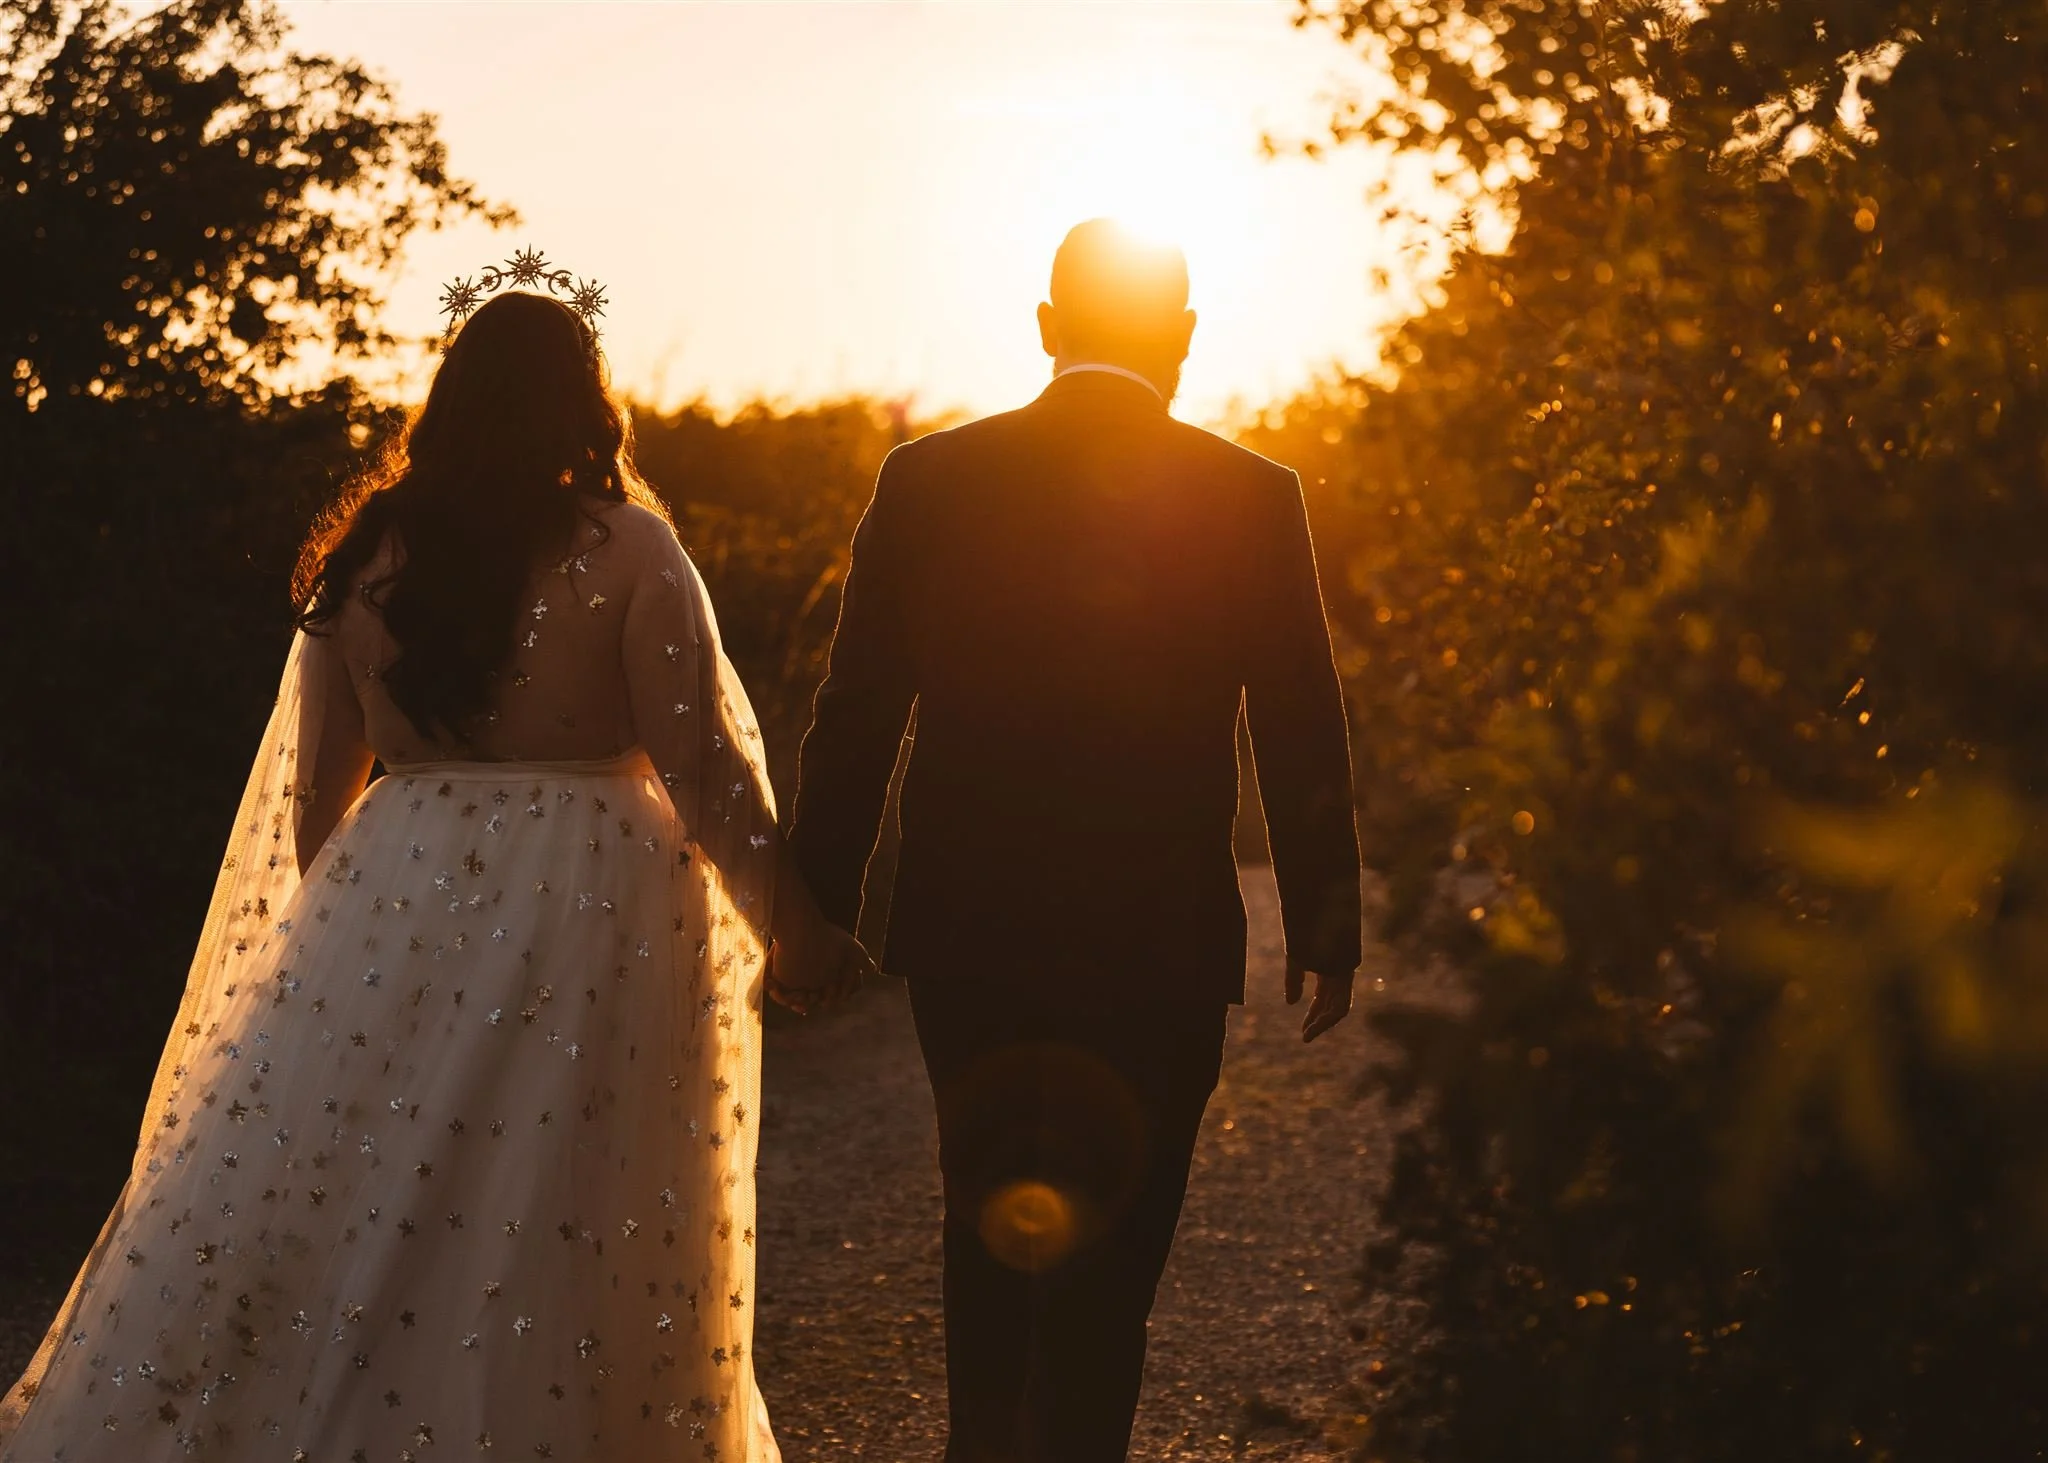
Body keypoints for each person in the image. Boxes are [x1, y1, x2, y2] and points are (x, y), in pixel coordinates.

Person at [0, 286, 867, 1463]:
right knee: (562, 1202)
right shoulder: (627, 548)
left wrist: (360, 947)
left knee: (382, 1199)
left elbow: (316, 803)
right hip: (594, 901)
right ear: (582, 402)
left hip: (393, 888)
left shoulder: (367, 555)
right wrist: (795, 929)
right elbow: (703, 764)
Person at [787, 218, 1364, 1461]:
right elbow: (1302, 717)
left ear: (1046, 331)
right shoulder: (1250, 493)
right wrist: (1323, 922)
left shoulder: (929, 478)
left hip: (969, 930)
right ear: (1187, 338)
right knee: (1118, 1246)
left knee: (983, 1219)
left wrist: (813, 902)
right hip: (1157, 940)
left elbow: (857, 709)